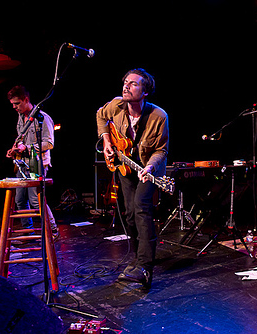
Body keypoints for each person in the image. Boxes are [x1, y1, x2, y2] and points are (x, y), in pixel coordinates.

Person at [96, 68, 169, 288]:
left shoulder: (159, 116)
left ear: (145, 92)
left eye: (134, 84)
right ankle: (137, 257)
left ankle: (146, 266)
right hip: (124, 166)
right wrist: (107, 142)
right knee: (128, 214)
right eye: (125, 82)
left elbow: (161, 150)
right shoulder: (116, 105)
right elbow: (100, 116)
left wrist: (149, 167)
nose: (126, 86)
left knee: (141, 208)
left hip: (149, 169)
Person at [5, 85, 58, 238]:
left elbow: (49, 143)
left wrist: (27, 148)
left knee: (36, 200)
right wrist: (14, 149)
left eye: (17, 103)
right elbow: (20, 138)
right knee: (20, 200)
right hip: (22, 164)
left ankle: (53, 230)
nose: (14, 107)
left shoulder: (43, 118)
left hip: (37, 164)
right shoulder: (21, 117)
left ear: (26, 100)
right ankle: (28, 231)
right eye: (13, 104)